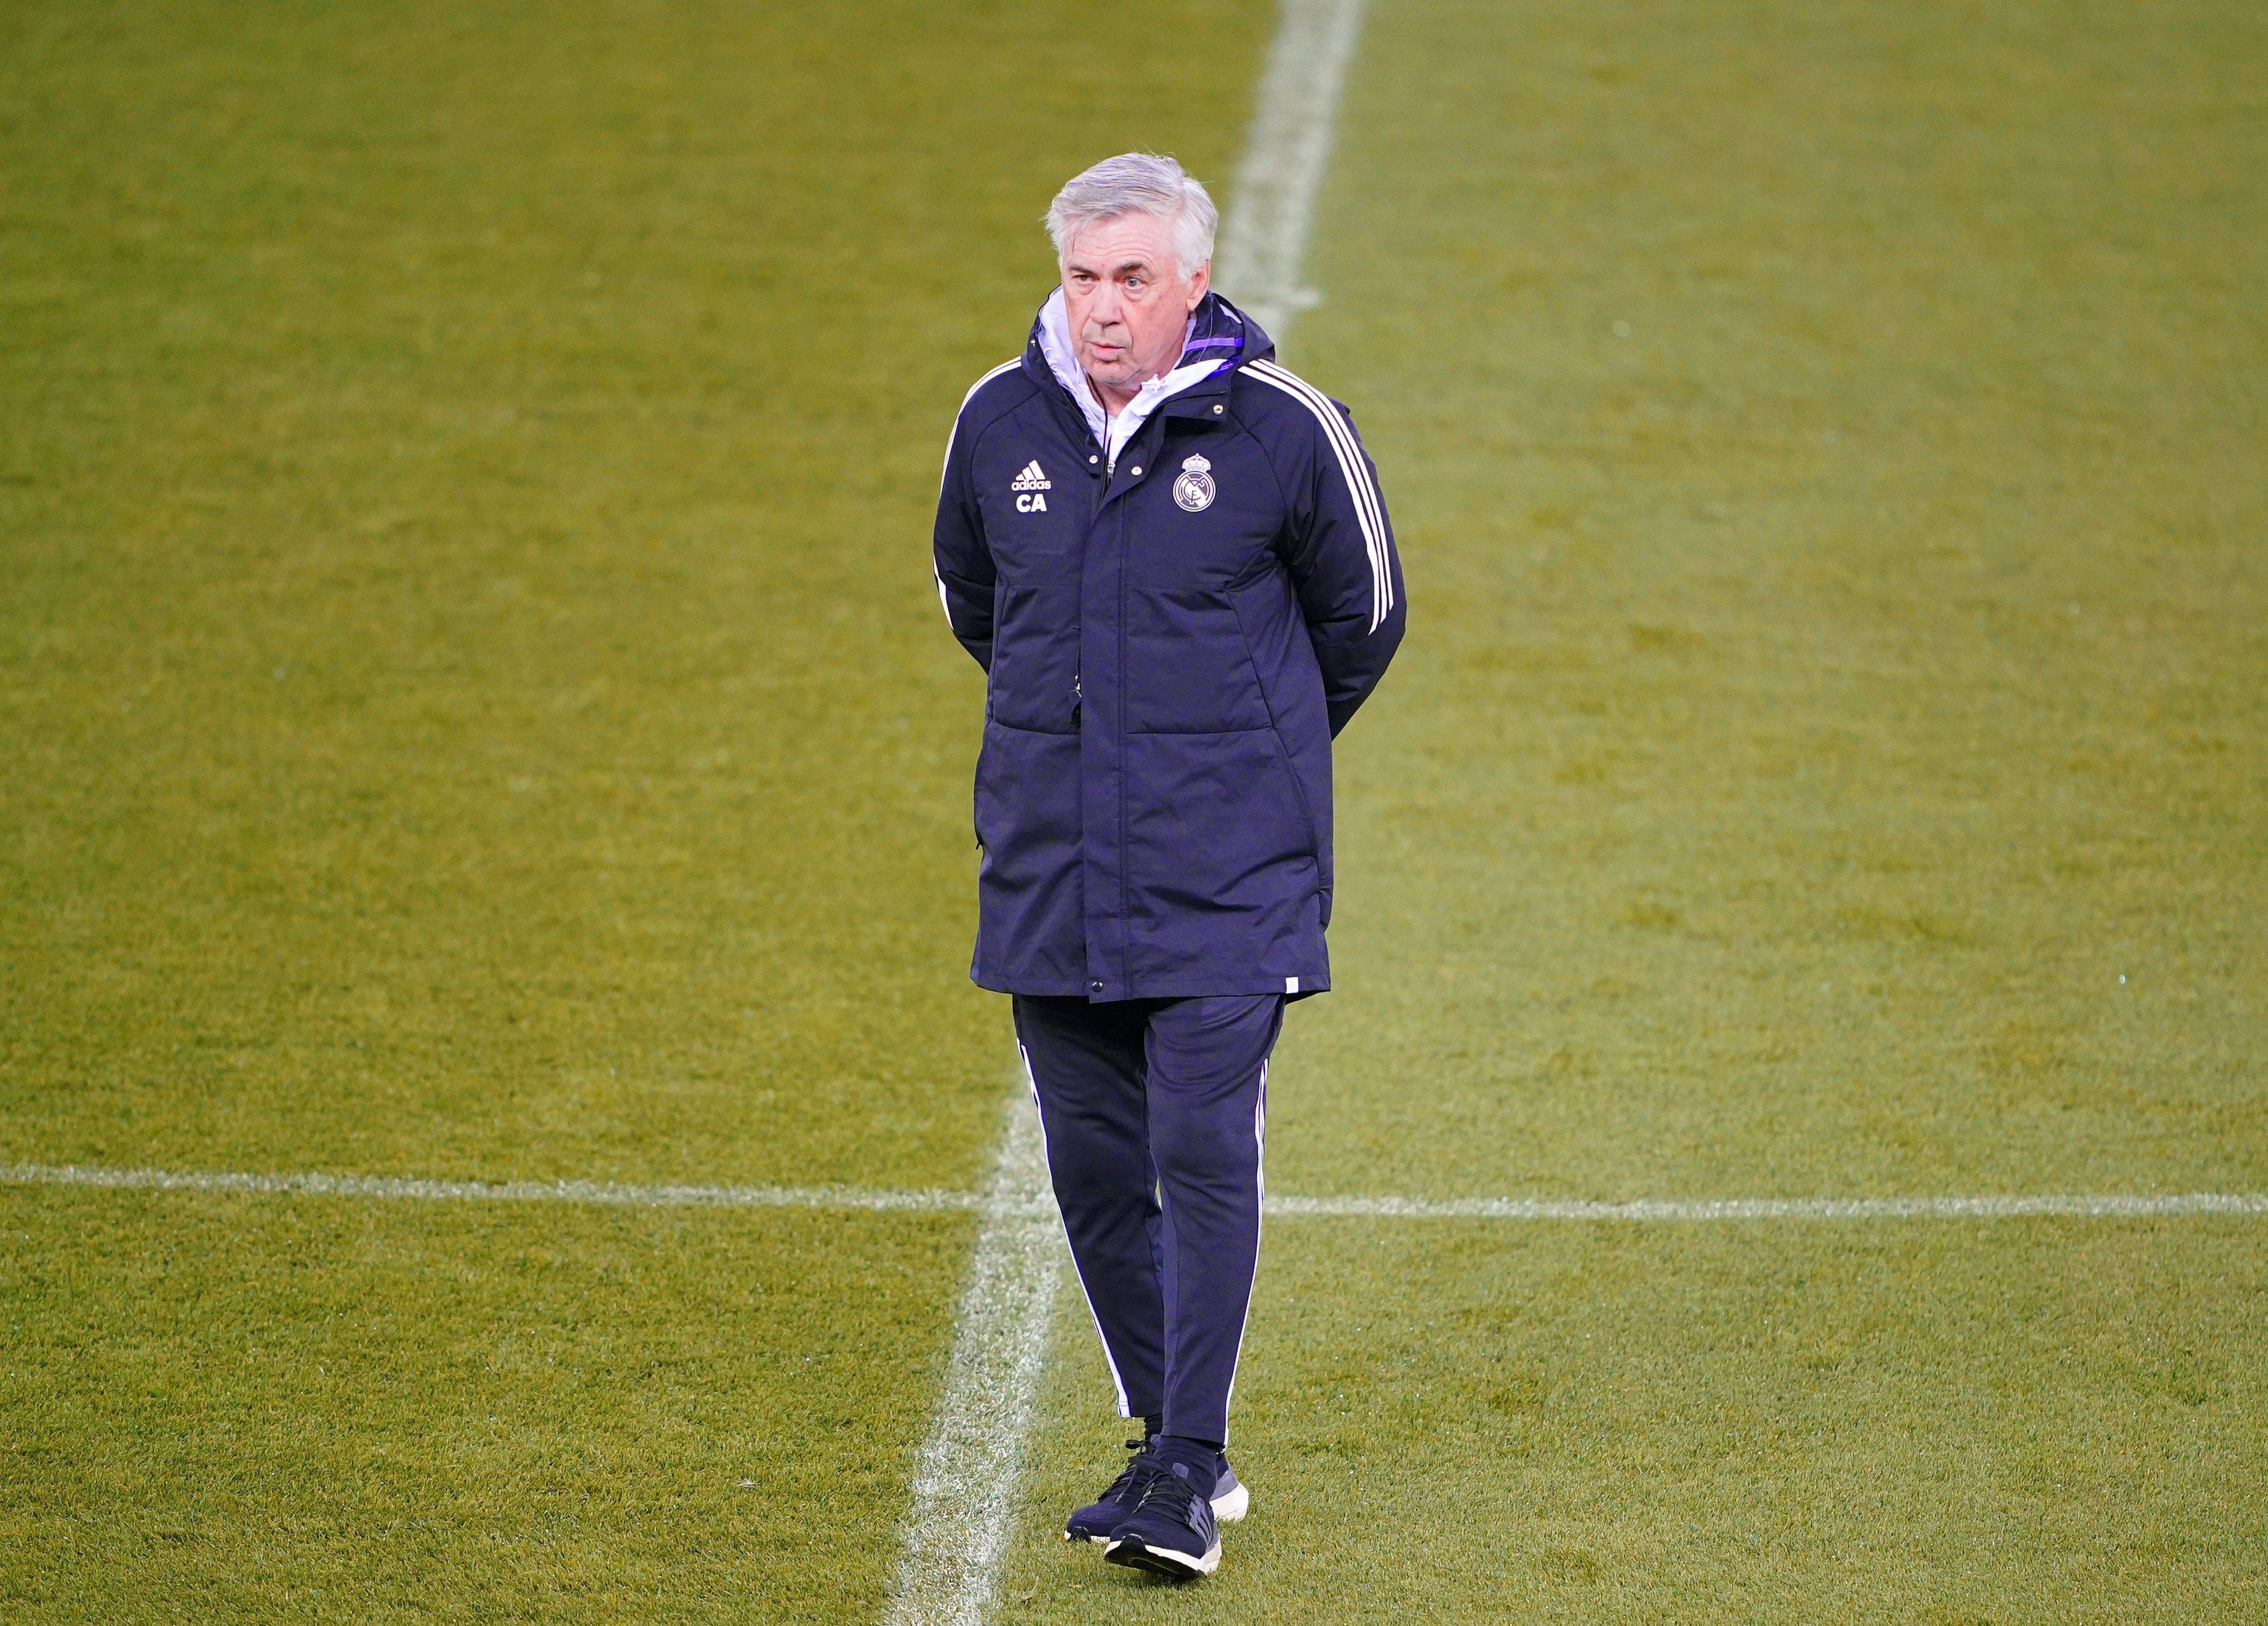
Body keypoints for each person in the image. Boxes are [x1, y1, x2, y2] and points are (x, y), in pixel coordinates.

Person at [930, 152, 1405, 1579]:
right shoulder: (997, 421)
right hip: (1052, 869)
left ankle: (1185, 1472)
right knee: (1087, 1165)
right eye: (1083, 278)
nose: (1104, 309)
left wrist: (1244, 756)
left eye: (1133, 279)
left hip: (1227, 873)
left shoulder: (1280, 428)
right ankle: (1167, 1432)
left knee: (1198, 1148)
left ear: (1193, 279)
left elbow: (1362, 614)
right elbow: (976, 605)